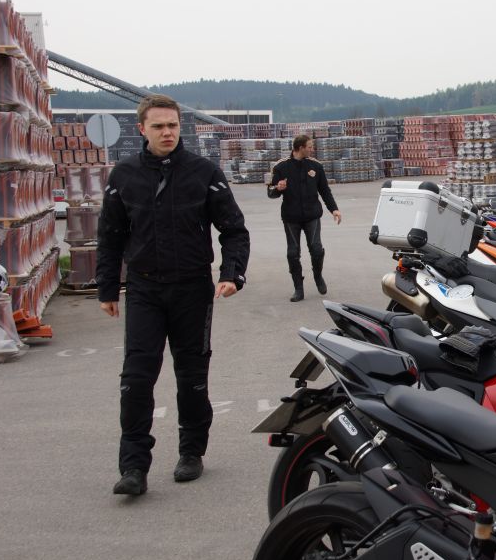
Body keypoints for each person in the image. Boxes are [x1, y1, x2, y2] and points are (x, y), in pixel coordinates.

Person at [96, 94, 250, 496]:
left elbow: (234, 230)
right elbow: (110, 236)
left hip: (191, 288)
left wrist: (232, 274)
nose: (167, 132)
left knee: (192, 378)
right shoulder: (124, 175)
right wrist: (107, 287)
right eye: (159, 126)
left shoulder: (204, 172)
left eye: (173, 125)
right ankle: (133, 467)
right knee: (136, 379)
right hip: (144, 288)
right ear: (142, 129)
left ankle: (191, 452)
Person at [268, 135, 342, 302]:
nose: (312, 149)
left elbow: (325, 190)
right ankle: (298, 288)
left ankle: (318, 275)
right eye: (309, 146)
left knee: (316, 249)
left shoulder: (316, 166)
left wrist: (334, 209)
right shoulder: (281, 166)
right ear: (300, 148)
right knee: (293, 253)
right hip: (291, 217)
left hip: (312, 216)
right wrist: (278, 188)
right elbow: (271, 192)